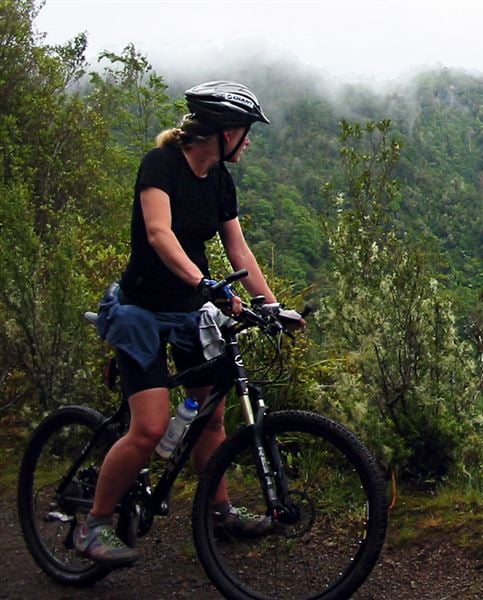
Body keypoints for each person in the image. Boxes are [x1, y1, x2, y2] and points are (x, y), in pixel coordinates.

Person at [74, 81, 281, 567]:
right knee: (149, 429)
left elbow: (238, 248)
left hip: (190, 311)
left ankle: (219, 511)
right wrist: (205, 282)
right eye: (245, 132)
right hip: (140, 312)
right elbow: (158, 233)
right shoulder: (161, 165)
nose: (248, 142)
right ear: (223, 131)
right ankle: (94, 523)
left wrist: (271, 306)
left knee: (211, 416)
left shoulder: (220, 182)